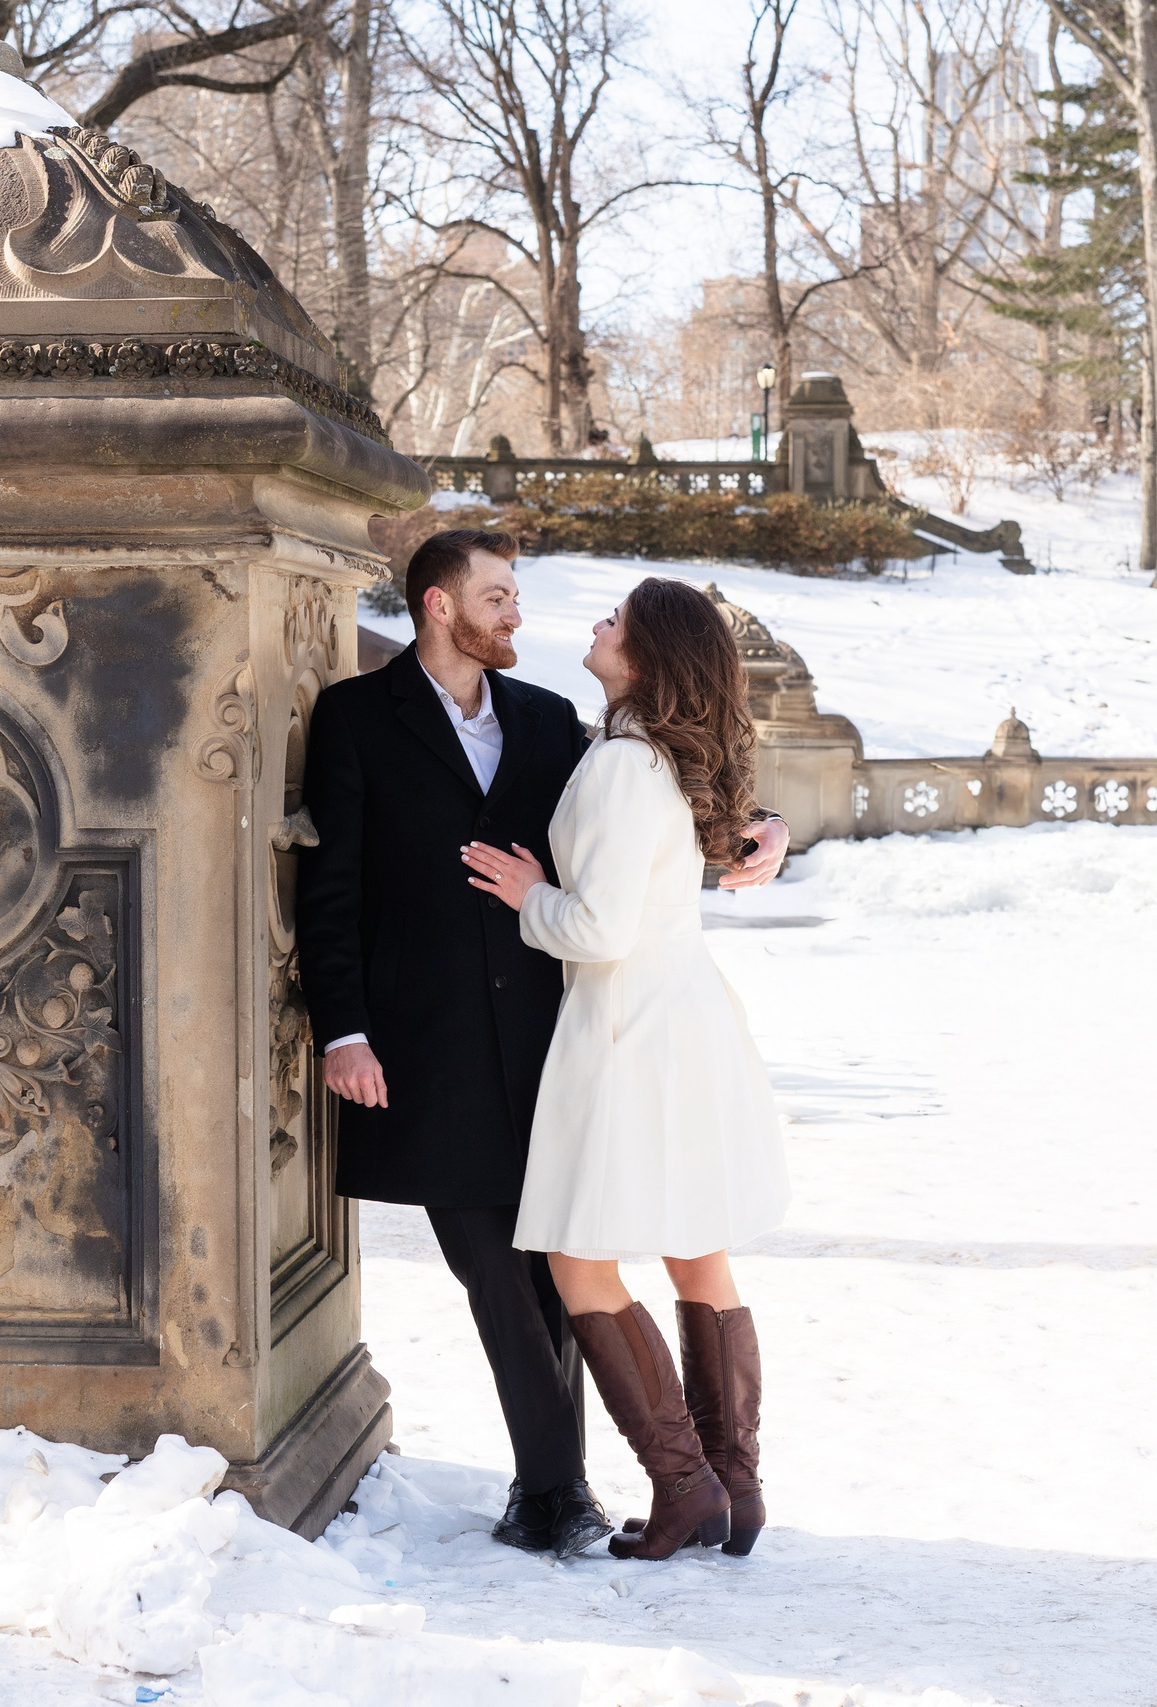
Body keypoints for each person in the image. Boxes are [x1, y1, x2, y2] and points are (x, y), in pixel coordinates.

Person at [297, 532, 789, 1558]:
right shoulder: (354, 719)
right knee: (502, 1270)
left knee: (562, 1267)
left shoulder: (555, 722)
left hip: (562, 1040)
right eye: (498, 595)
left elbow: (660, 811)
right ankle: (588, 1487)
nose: (521, 613)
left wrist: (764, 827)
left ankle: (658, 1483)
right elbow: (329, 889)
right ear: (438, 605)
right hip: (430, 1047)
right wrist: (343, 1028)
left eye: (519, 595)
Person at [460, 577, 792, 1562]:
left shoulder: (618, 765)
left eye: (615, 620)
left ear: (641, 658)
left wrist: (527, 893)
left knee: (578, 1257)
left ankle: (686, 1486)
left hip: (624, 1027)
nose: (596, 626)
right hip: (686, 1016)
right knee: (698, 1248)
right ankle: (733, 1483)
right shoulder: (664, 756)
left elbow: (596, 929)